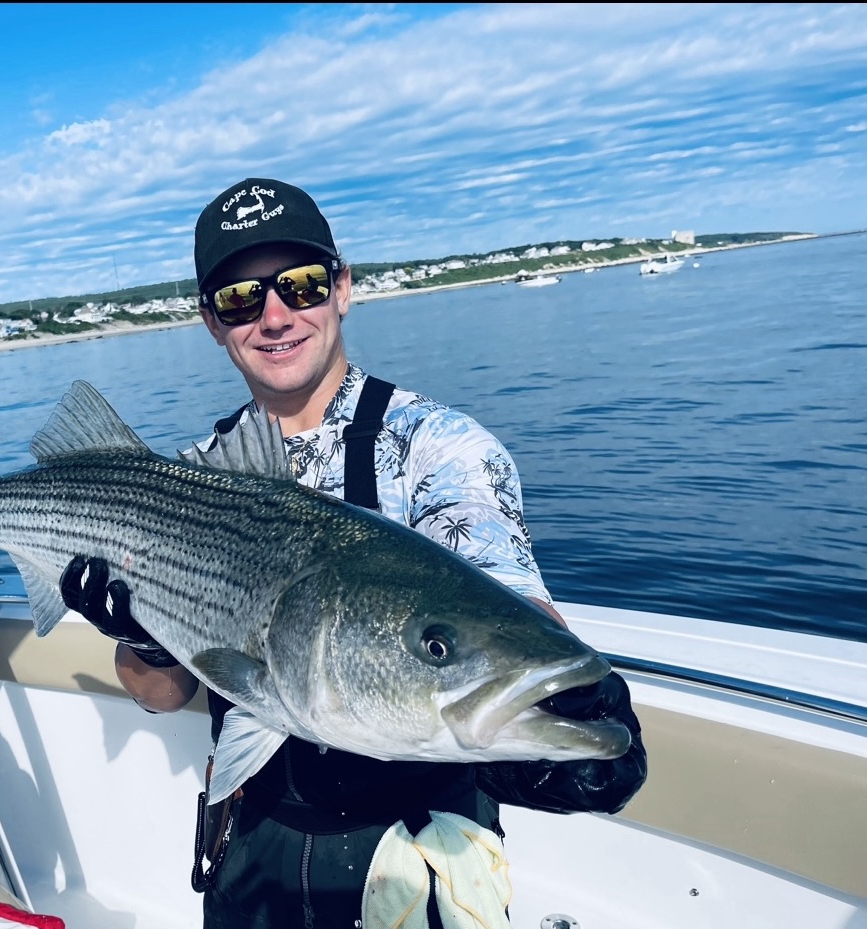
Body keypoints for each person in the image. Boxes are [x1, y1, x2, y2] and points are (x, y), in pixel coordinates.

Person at [60, 177, 647, 928]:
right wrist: (145, 635)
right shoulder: (187, 478)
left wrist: (558, 710)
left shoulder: (440, 448)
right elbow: (159, 693)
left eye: (299, 285)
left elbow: (509, 605)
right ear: (213, 323)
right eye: (241, 299)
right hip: (251, 852)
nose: (275, 317)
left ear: (342, 288)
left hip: (415, 848)